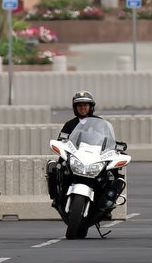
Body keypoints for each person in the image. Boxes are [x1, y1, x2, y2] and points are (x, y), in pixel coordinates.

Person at [46, 90, 123, 218]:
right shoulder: (70, 124)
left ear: (91, 107)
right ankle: (57, 198)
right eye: (79, 105)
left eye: (85, 105)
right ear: (75, 108)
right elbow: (62, 140)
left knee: (113, 174)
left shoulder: (101, 124)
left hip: (94, 159)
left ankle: (107, 204)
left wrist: (116, 148)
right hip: (75, 158)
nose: (82, 108)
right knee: (56, 167)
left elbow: (109, 141)